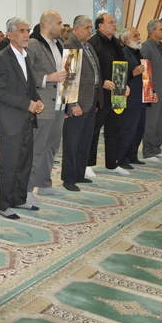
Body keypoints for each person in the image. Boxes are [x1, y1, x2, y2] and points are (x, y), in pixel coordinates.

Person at [0, 17, 43, 218]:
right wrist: (27, 104)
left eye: (27, 30)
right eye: (22, 31)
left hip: (26, 119)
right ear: (10, 35)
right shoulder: (2, 58)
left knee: (24, 162)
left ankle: (18, 199)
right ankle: (2, 205)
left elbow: (29, 87)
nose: (26, 34)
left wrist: (37, 100)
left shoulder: (25, 56)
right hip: (10, 121)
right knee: (9, 165)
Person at [27, 10, 68, 200]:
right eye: (59, 23)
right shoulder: (33, 44)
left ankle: (44, 183)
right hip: (42, 105)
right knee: (36, 148)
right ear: (47, 24)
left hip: (59, 103)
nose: (62, 27)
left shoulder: (59, 44)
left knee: (52, 146)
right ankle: (26, 189)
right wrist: (47, 78)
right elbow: (25, 74)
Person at [61, 15, 103, 191]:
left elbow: (95, 73)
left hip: (90, 99)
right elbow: (69, 78)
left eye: (90, 27)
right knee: (72, 142)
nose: (90, 30)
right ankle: (69, 178)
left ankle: (79, 173)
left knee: (85, 140)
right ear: (76, 29)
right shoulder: (70, 46)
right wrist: (72, 104)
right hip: (77, 102)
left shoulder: (88, 46)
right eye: (87, 27)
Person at [86, 13, 130, 177]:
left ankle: (112, 163)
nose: (114, 24)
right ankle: (87, 164)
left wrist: (125, 84)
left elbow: (122, 66)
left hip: (116, 94)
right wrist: (102, 81)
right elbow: (89, 69)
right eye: (110, 22)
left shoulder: (116, 43)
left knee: (114, 129)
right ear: (100, 26)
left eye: (114, 22)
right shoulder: (94, 43)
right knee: (94, 130)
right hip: (100, 94)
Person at [118, 28, 155, 169]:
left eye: (139, 35)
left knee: (139, 130)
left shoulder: (139, 53)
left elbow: (146, 75)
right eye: (135, 36)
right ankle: (122, 158)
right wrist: (132, 73)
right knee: (128, 130)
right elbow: (118, 77)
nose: (139, 38)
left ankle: (132, 155)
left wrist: (152, 91)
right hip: (130, 99)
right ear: (127, 40)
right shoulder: (122, 54)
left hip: (142, 97)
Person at [141, 19, 162, 161]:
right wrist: (150, 91)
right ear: (152, 31)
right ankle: (148, 151)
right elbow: (145, 71)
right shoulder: (146, 47)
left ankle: (156, 148)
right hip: (152, 92)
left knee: (160, 121)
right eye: (161, 29)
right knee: (151, 122)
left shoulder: (161, 46)